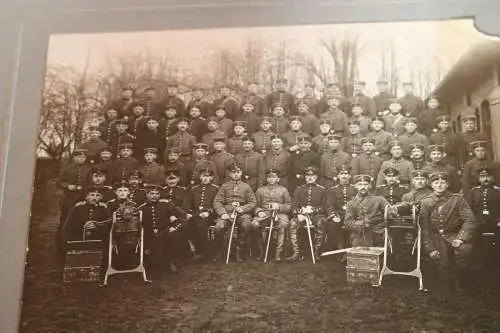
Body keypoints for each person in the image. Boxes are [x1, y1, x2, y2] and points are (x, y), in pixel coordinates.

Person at [419, 171, 478, 293]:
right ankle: (443, 287)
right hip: (435, 237)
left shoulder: (457, 199)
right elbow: (425, 229)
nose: (439, 185)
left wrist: (461, 238)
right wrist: (430, 248)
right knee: (441, 264)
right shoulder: (426, 202)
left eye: (442, 182)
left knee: (464, 252)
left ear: (447, 185)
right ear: (431, 185)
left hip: (453, 235)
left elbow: (470, 220)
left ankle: (458, 281)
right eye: (436, 182)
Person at [212, 164, 257, 263]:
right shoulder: (224, 186)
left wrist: (243, 208)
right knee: (219, 227)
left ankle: (239, 250)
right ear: (230, 174)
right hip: (227, 212)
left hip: (242, 213)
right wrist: (222, 213)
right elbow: (217, 202)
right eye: (233, 172)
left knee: (246, 225)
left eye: (238, 172)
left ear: (241, 173)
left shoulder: (246, 186)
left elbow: (253, 202)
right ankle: (221, 251)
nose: (236, 174)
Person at [140, 184, 186, 277]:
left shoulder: (165, 204)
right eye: (151, 193)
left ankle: (170, 262)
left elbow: (182, 215)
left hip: (165, 232)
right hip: (149, 234)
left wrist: (175, 226)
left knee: (171, 237)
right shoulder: (142, 208)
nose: (154, 196)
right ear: (146, 195)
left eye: (157, 193)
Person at [288, 166, 329, 261]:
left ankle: (317, 252)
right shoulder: (299, 189)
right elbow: (294, 205)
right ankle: (296, 252)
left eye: (312, 175)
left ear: (316, 177)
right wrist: (299, 212)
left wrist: (314, 210)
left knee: (321, 223)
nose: (310, 177)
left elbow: (325, 206)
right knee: (293, 223)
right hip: (302, 215)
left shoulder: (322, 190)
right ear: (305, 177)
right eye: (307, 175)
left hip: (317, 216)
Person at [251, 169, 292, 262]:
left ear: (278, 179)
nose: (271, 179)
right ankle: (262, 250)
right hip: (264, 213)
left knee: (284, 224)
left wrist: (279, 206)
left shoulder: (283, 190)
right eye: (269, 177)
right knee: (254, 224)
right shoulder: (260, 190)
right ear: (266, 178)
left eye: (273, 177)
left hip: (280, 213)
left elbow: (289, 206)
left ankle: (278, 252)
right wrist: (258, 211)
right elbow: (254, 205)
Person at [468, 167, 500, 273]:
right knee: (478, 248)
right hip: (478, 224)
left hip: (496, 223)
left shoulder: (498, 191)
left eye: (488, 176)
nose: (485, 179)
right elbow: (469, 209)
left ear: (493, 178)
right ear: (478, 178)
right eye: (482, 177)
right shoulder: (473, 192)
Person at [344, 174, 390, 247]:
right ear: (355, 186)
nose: (363, 187)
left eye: (365, 184)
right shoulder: (351, 203)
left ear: (369, 186)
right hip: (361, 233)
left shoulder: (379, 199)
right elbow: (347, 223)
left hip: (379, 232)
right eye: (360, 184)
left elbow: (390, 212)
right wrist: (362, 224)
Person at [56, 148, 91, 241]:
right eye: (79, 157)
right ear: (74, 157)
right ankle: (62, 238)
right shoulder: (68, 168)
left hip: (84, 197)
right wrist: (68, 186)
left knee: (82, 217)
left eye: (84, 157)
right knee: (66, 217)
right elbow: (59, 182)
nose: (82, 159)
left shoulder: (89, 168)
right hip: (69, 197)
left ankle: (80, 238)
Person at [183, 169, 219, 259]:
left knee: (201, 224)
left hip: (210, 215)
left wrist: (209, 212)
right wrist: (188, 213)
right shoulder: (194, 189)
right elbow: (186, 205)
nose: (205, 179)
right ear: (200, 177)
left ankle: (204, 251)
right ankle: (192, 251)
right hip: (196, 215)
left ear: (212, 178)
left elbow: (219, 204)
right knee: (187, 224)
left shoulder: (216, 189)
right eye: (203, 176)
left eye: (208, 176)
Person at [326, 165, 357, 256]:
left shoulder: (355, 189)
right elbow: (329, 205)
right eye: (341, 174)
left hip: (352, 215)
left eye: (346, 174)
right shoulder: (333, 190)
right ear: (338, 176)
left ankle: (353, 249)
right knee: (332, 225)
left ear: (349, 176)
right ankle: (340, 250)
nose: (344, 176)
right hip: (339, 214)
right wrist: (334, 215)